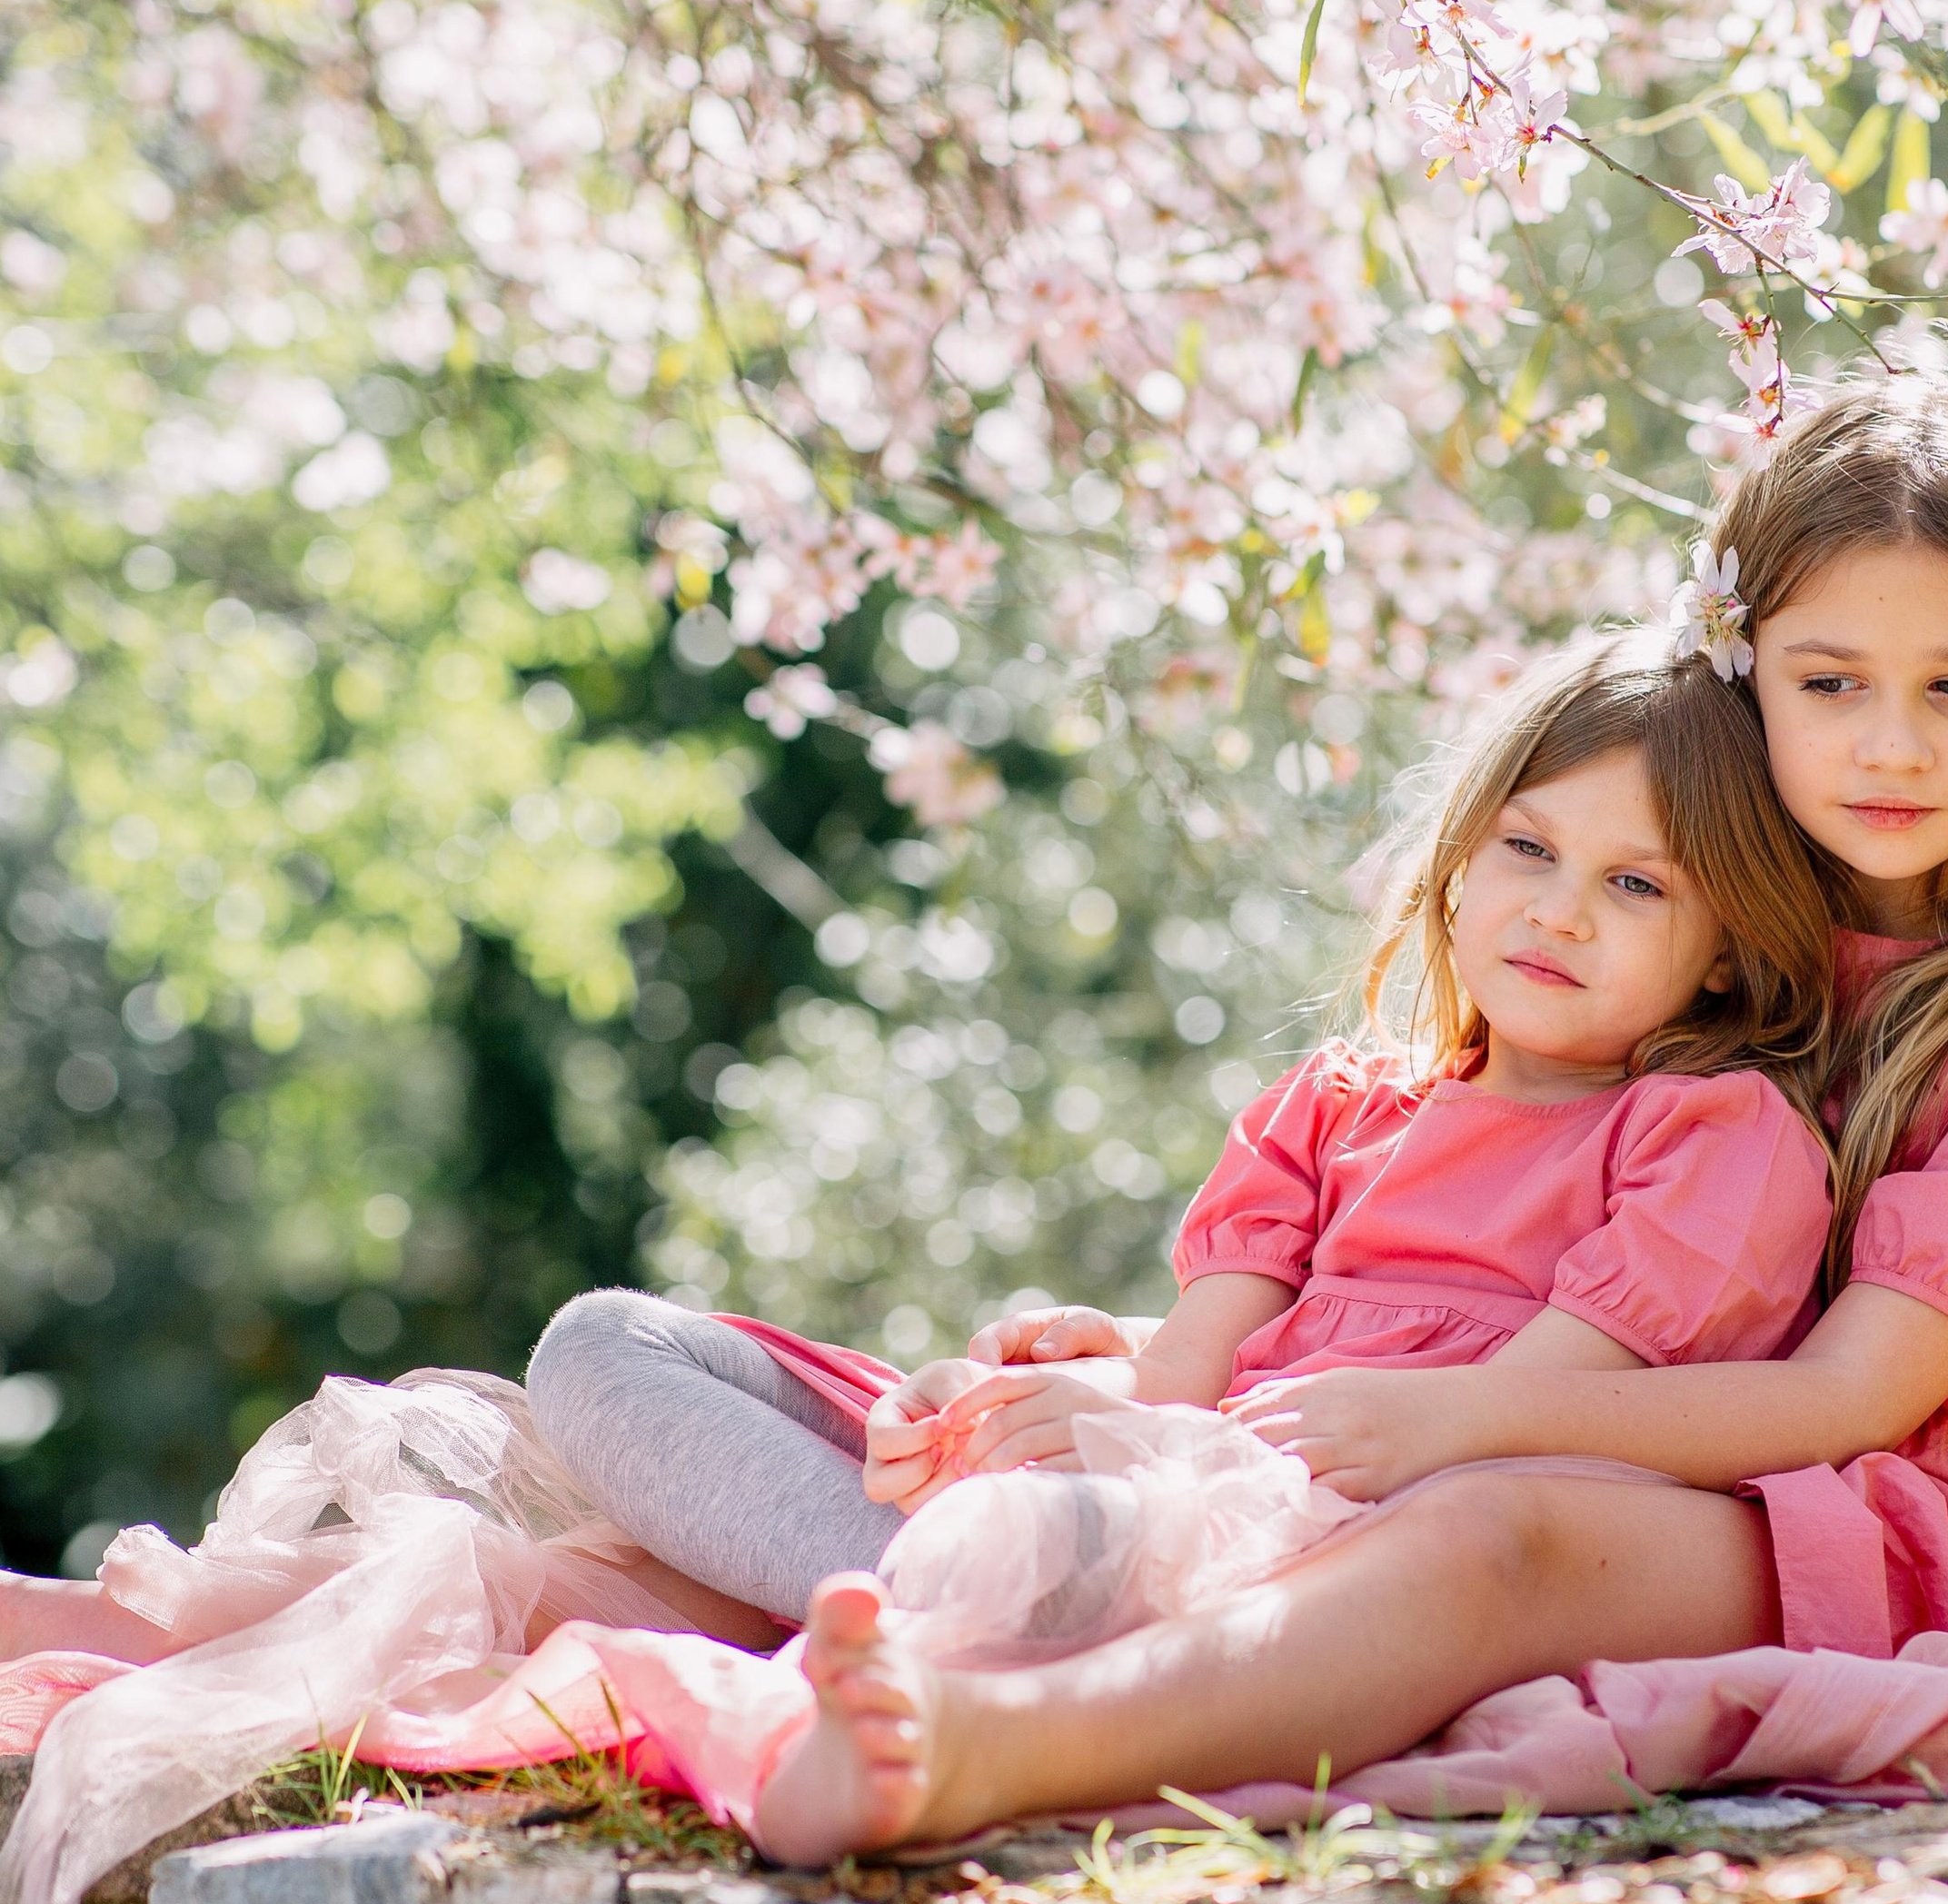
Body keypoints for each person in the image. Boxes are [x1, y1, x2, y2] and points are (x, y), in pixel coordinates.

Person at [750, 354, 1948, 1863]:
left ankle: (975, 1747)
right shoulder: (1692, 912)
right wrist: (1178, 1364)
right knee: (1301, 1486)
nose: (1892, 745)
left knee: (1491, 1534)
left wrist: (1465, 1417)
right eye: (1830, 681)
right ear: (1746, 667)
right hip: (1680, 1454)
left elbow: (1849, 1402)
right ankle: (929, 1608)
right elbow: (1505, 1287)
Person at [527, 645, 1839, 1621]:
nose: (1558, 913)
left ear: (1727, 953)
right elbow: (1197, 1378)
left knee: (1085, 1526)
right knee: (603, 1343)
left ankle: (936, 1596)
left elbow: (1511, 1418)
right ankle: (914, 1578)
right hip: (1183, 1456)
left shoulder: (1707, 1139)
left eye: (1633, 884)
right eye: (1528, 849)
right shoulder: (1342, 1106)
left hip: (1344, 1527)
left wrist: (1118, 1444)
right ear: (1454, 867)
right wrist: (1048, 1406)